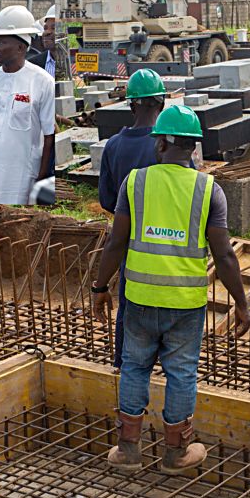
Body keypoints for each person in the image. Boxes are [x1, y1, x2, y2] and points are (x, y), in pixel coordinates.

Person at [91, 105, 250, 474]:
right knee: (181, 373)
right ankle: (176, 453)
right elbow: (225, 255)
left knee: (134, 367)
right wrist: (241, 304)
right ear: (194, 147)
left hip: (141, 299)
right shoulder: (209, 189)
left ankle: (129, 450)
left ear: (160, 143)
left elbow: (116, 242)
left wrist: (99, 287)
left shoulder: (135, 182)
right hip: (185, 303)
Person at [98, 68, 167, 368]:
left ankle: (124, 367)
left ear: (131, 105)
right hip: (169, 247)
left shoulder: (114, 147)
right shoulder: (170, 145)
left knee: (130, 311)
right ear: (161, 104)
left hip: (131, 245)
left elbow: (108, 201)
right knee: (168, 317)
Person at [0, 5, 54, 205]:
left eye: (1, 42)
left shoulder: (42, 81)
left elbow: (48, 137)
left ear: (21, 47)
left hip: (20, 184)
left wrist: (40, 182)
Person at [29, 5, 57, 77]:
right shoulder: (33, 65)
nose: (47, 32)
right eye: (45, 28)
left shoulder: (80, 64)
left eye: (53, 28)